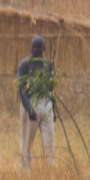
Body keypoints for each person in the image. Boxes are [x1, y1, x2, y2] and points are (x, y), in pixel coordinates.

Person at [17, 35, 56, 169]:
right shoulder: (24, 64)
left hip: (45, 104)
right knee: (27, 141)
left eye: (39, 47)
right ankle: (26, 169)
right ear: (30, 47)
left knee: (49, 139)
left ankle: (50, 169)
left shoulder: (47, 64)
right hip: (31, 104)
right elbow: (21, 89)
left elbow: (51, 88)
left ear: (44, 48)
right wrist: (29, 108)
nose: (36, 49)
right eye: (34, 46)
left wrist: (53, 109)